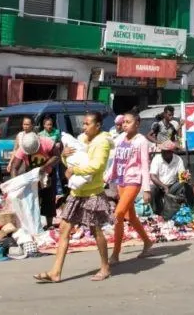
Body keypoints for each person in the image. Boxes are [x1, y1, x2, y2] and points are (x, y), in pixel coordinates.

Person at [34, 111, 115, 283]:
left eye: (87, 124)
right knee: (64, 228)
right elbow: (70, 162)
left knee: (96, 230)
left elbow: (97, 166)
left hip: (92, 192)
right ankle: (55, 272)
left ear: (98, 126)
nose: (84, 127)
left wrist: (74, 170)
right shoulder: (81, 139)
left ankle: (105, 267)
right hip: (77, 192)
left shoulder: (102, 142)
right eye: (83, 123)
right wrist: (65, 154)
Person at [107, 111, 154, 265]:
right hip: (120, 181)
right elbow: (115, 161)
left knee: (119, 214)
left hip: (134, 181)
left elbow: (145, 166)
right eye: (124, 122)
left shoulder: (142, 141)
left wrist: (147, 189)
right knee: (131, 216)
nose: (125, 125)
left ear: (137, 124)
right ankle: (147, 242)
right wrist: (107, 177)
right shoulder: (120, 138)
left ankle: (115, 253)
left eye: (128, 122)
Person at [150, 141, 192, 215]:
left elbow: (182, 176)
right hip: (159, 186)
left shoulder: (178, 159)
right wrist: (164, 186)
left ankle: (188, 207)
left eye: (165, 151)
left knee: (185, 185)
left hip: (172, 186)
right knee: (152, 189)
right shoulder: (157, 159)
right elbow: (153, 176)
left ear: (171, 152)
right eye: (162, 151)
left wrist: (186, 177)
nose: (162, 152)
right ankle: (155, 212)